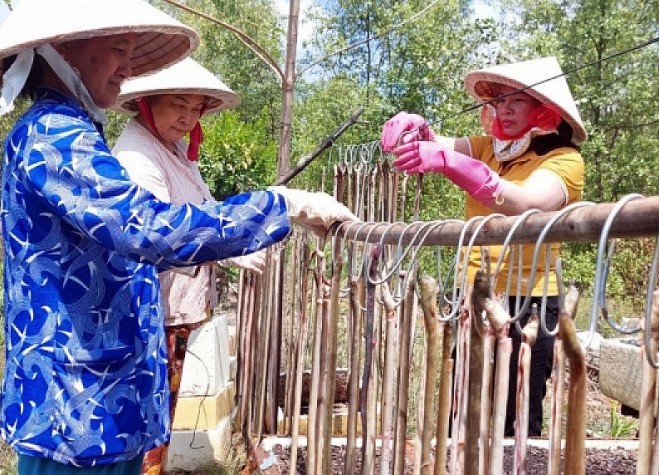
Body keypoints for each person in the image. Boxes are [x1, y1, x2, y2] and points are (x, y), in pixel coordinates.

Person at [0, 1, 357, 473]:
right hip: (76, 412)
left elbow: (111, 253)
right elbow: (146, 229)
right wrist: (281, 204)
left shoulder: (72, 133)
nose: (128, 67)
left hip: (98, 401)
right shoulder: (55, 136)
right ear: (65, 50)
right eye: (117, 49)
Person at [380, 57, 586, 437]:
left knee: (516, 416)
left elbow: (527, 202)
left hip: (529, 302)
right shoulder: (489, 148)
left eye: (516, 101)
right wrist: (417, 128)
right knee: (466, 409)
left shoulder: (565, 160)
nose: (503, 110)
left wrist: (454, 165)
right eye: (499, 102)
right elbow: (438, 143)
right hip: (475, 292)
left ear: (545, 110)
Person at [109, 57, 265, 475]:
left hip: (178, 311)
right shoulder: (138, 158)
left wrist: (236, 234)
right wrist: (229, 247)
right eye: (179, 103)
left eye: (196, 108)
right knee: (146, 421)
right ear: (147, 101)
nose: (188, 116)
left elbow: (205, 210)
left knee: (165, 414)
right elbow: (162, 237)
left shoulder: (177, 152)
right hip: (150, 315)